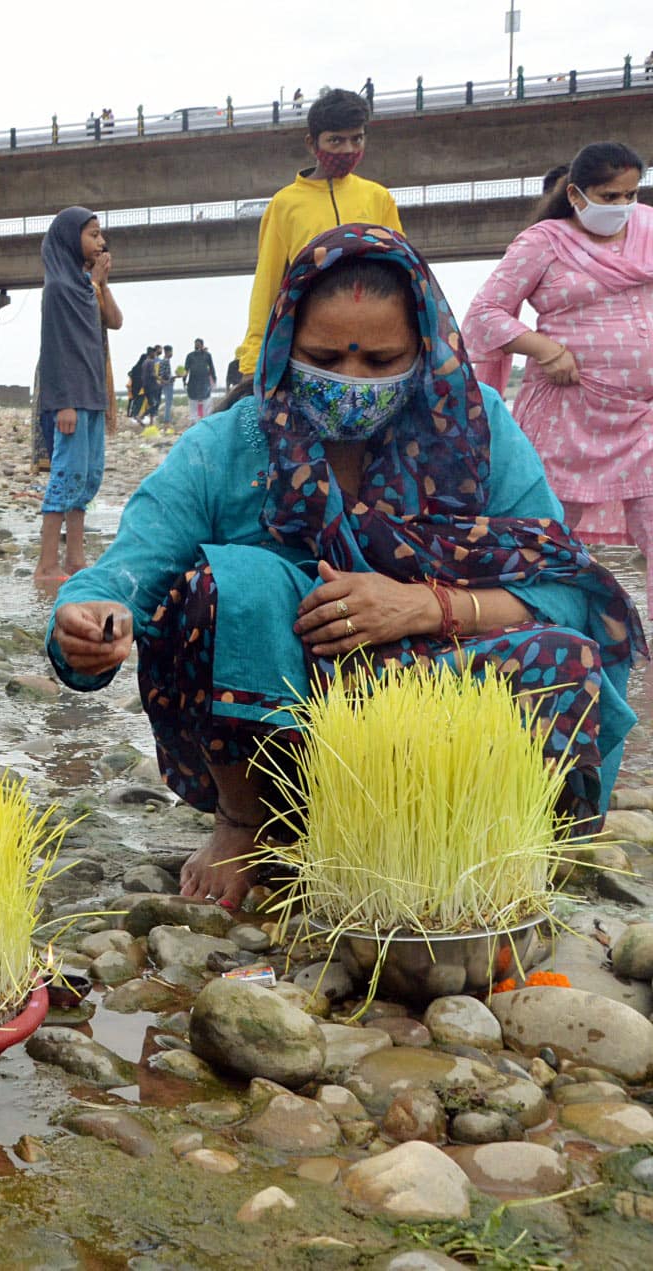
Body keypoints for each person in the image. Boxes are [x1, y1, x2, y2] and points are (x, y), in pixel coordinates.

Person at [49, 224, 644, 909]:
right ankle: (249, 821)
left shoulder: (478, 435)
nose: (351, 382)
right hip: (292, 701)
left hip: (440, 698)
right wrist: (93, 616)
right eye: (324, 357)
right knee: (222, 586)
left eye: (381, 359)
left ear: (427, 348)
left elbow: (567, 592)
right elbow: (132, 569)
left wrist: (427, 606)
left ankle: (476, 842)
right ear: (283, 345)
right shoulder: (232, 445)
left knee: (561, 655)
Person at [463, 142, 653, 619]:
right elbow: (485, 315)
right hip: (569, 415)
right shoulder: (543, 242)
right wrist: (545, 349)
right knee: (545, 534)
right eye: (609, 197)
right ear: (575, 194)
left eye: (630, 195)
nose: (623, 207)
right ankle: (532, 631)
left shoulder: (649, 230)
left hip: (643, 413)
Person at [232, 89, 403, 379]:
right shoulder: (285, 204)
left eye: (357, 139)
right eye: (336, 140)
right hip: (313, 345)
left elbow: (403, 275)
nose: (348, 149)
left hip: (374, 343)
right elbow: (268, 283)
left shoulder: (378, 198)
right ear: (313, 143)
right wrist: (252, 360)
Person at [36, 208, 123, 584]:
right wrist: (63, 402)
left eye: (100, 234)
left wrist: (100, 284)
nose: (100, 242)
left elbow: (115, 321)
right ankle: (46, 565)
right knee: (65, 476)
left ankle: (74, 558)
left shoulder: (86, 286)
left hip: (93, 395)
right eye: (92, 235)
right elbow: (55, 349)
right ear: (71, 240)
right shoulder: (58, 289)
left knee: (87, 478)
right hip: (71, 398)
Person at [183, 339, 217, 420]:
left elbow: (212, 368)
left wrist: (214, 380)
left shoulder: (207, 355)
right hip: (193, 383)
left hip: (204, 383)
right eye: (196, 344)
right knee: (193, 402)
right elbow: (186, 370)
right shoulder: (190, 356)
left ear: (202, 345)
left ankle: (206, 420)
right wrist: (184, 381)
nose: (197, 346)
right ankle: (194, 422)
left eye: (198, 344)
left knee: (206, 402)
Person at [125, 348, 150, 421]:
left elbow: (130, 374)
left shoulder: (135, 367)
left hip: (134, 388)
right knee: (139, 404)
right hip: (140, 389)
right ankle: (135, 416)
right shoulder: (143, 368)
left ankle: (131, 415)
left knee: (133, 402)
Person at [141, 344, 165, 421]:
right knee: (155, 404)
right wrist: (161, 380)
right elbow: (152, 374)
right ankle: (142, 415)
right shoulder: (151, 362)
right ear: (151, 353)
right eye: (154, 353)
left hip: (146, 386)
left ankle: (151, 422)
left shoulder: (144, 362)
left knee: (152, 404)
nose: (155, 355)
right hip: (151, 386)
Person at [154, 344, 175, 423]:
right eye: (171, 352)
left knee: (168, 403)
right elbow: (161, 375)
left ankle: (167, 421)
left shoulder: (165, 361)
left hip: (167, 384)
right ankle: (167, 422)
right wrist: (169, 381)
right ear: (168, 352)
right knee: (168, 404)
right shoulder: (165, 361)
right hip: (167, 386)